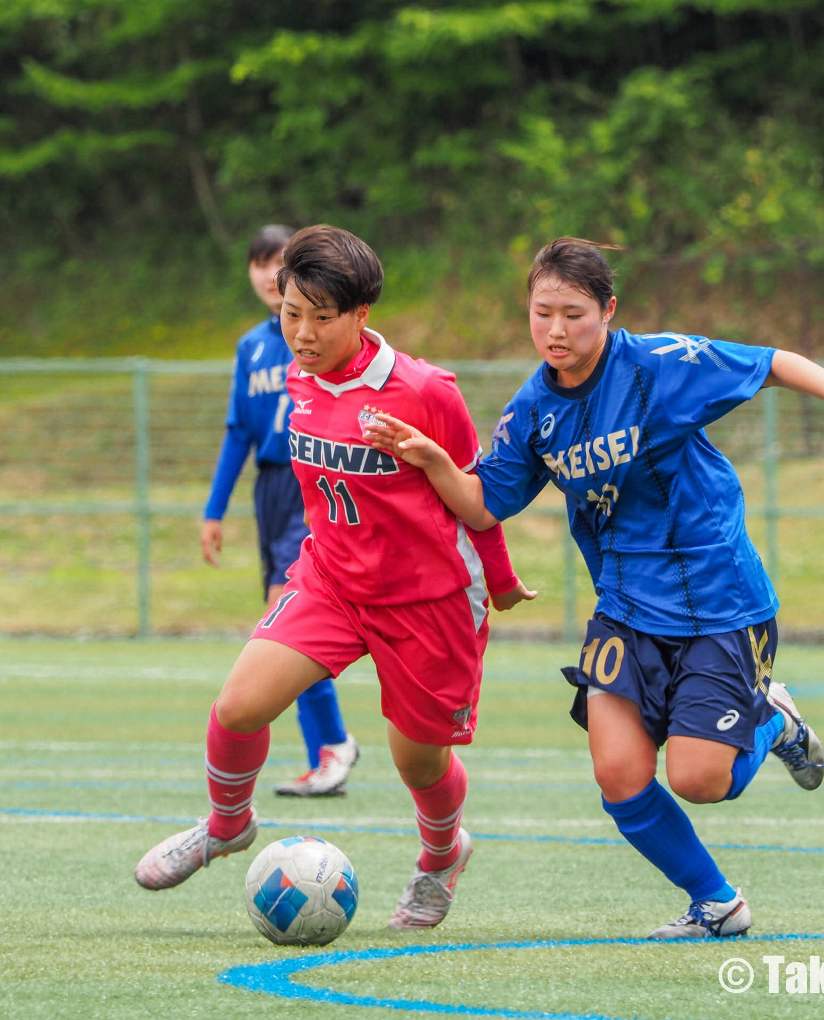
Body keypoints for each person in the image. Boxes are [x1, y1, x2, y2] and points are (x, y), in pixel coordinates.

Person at [363, 236, 824, 940]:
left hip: (717, 600)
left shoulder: (657, 367)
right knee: (619, 775)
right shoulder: (534, 411)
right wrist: (433, 458)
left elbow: (770, 362)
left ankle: (772, 718)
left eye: (574, 314)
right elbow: (481, 506)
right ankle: (717, 904)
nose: (555, 331)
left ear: (608, 311)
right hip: (625, 607)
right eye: (541, 313)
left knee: (700, 780)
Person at [137, 225, 537, 930]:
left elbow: (480, 497)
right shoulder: (296, 374)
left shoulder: (424, 391)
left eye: (323, 318)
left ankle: (441, 856)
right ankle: (228, 826)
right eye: (293, 313)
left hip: (426, 601)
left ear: (361, 315)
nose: (304, 332)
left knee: (418, 763)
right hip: (331, 582)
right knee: (236, 707)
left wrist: (500, 582)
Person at [201, 224, 359, 798]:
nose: (270, 274)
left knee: (285, 617)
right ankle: (328, 748)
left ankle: (332, 746)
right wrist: (213, 510)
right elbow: (238, 433)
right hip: (269, 490)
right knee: (282, 619)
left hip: (311, 483)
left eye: (280, 262)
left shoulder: (328, 338)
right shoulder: (253, 347)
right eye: (259, 263)